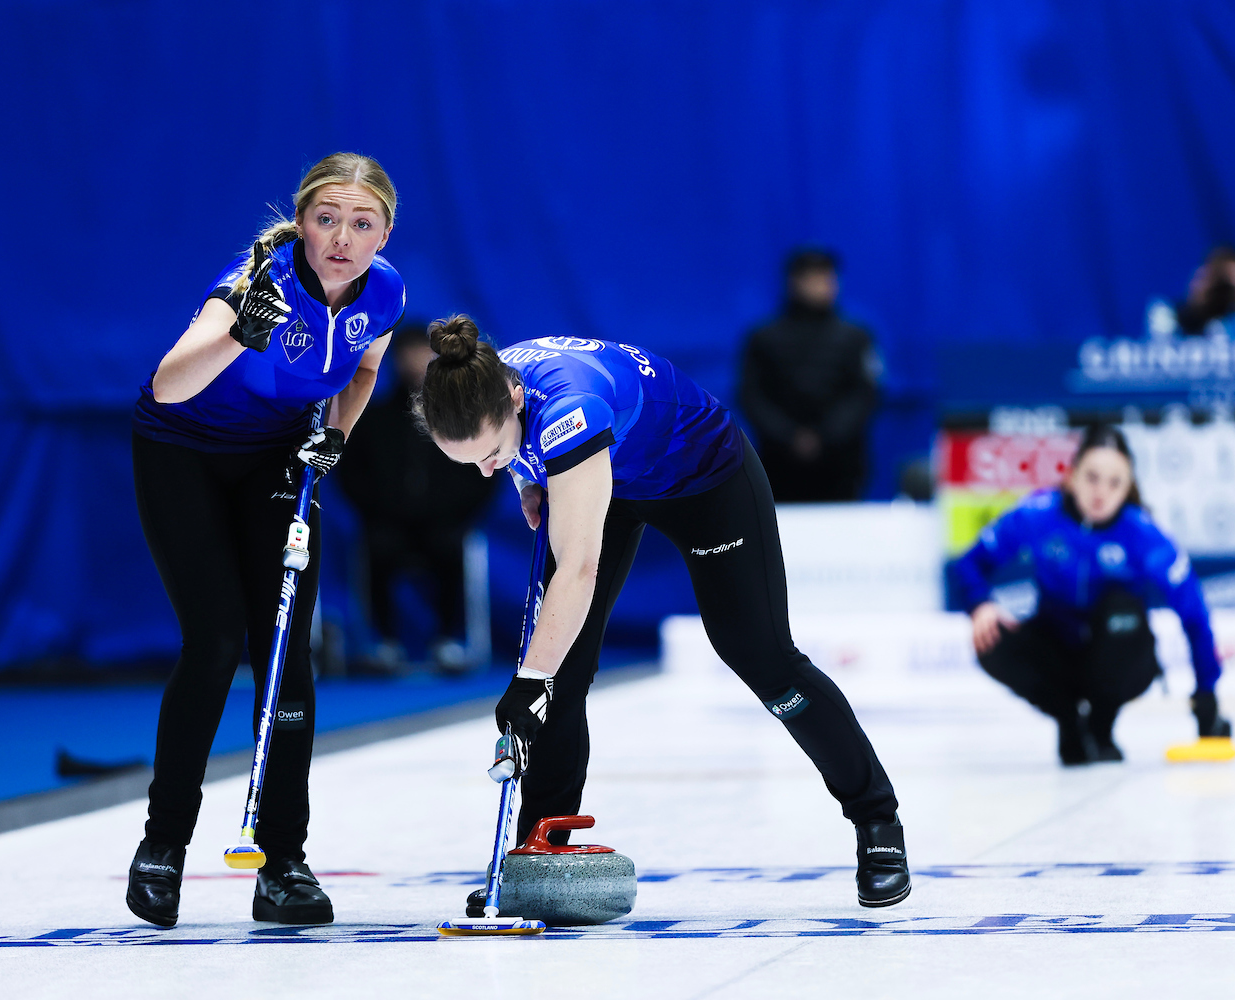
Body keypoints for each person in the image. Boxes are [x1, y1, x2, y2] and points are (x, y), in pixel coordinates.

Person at [415, 317, 909, 909]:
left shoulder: (572, 409)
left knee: (762, 658)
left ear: (516, 399)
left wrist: (527, 681)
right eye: (471, 463)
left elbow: (578, 570)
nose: (486, 471)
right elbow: (526, 454)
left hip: (702, 477)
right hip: (611, 477)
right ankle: (538, 861)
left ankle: (877, 821)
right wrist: (524, 475)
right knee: (561, 670)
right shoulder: (481, 381)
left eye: (493, 455)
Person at [127, 153, 405, 927]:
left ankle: (283, 864)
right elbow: (169, 385)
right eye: (327, 219)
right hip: (182, 452)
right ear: (303, 222)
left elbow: (363, 371)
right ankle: (162, 846)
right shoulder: (257, 283)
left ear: (383, 234)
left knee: (284, 652)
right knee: (215, 642)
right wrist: (239, 336)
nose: (342, 239)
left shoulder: (385, 292)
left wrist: (337, 436)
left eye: (362, 224)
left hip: (275, 457)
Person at [948, 426, 1231, 765]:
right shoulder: (1037, 516)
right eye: (1092, 478)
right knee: (990, 640)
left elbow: (1194, 615)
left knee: (1121, 609)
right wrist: (980, 604)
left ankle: (1101, 725)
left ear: (1128, 487)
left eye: (1115, 483)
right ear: (1071, 477)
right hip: (1056, 648)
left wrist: (1206, 701)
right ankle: (1069, 722)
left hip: (1119, 654)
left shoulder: (1145, 536)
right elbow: (969, 563)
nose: (1101, 492)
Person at [338, 324, 497, 672]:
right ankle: (383, 643)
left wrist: (455, 512)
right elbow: (351, 472)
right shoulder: (372, 417)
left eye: (423, 353)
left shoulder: (461, 416)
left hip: (444, 522)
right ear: (394, 358)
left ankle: (449, 641)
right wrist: (377, 510)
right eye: (408, 353)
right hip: (387, 522)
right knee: (376, 546)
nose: (416, 361)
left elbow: (485, 470)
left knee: (451, 546)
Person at [738, 247, 881, 501]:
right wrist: (789, 437)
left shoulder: (856, 337)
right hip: (779, 464)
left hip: (842, 465)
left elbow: (865, 393)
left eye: (828, 277)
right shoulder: (764, 338)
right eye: (813, 277)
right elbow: (752, 396)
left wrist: (827, 436)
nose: (822, 285)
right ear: (794, 282)